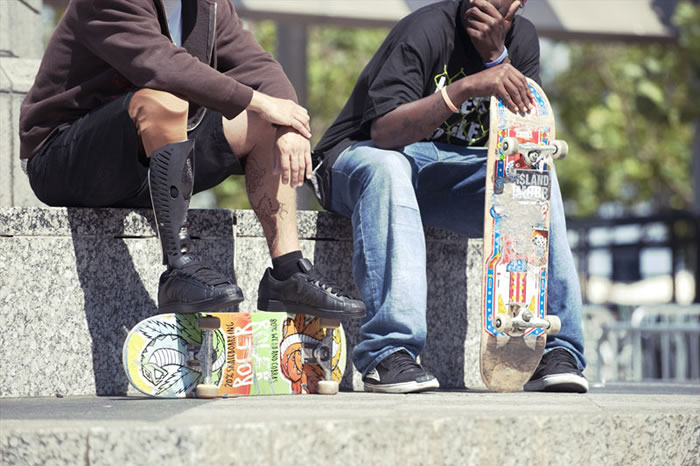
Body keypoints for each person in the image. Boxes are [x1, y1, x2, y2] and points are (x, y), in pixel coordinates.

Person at [19, 0, 365, 321]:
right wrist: (259, 101)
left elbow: (256, 64)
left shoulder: (206, 5)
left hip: (154, 159)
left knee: (265, 123)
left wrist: (290, 122)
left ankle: (288, 274)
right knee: (163, 99)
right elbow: (162, 66)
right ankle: (178, 267)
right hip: (66, 158)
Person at [311, 0, 588, 393]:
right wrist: (465, 88)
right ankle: (387, 354)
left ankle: (556, 348)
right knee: (388, 167)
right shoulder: (426, 29)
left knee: (534, 166)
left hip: (446, 179)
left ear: (519, 4)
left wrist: (497, 59)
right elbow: (384, 134)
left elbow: (528, 132)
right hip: (360, 159)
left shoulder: (521, 40)